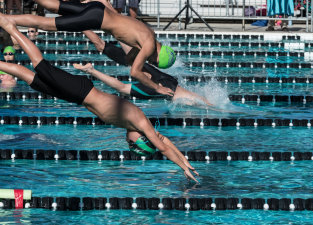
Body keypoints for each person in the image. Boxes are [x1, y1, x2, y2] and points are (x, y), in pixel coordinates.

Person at [0, 15, 199, 182]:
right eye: (132, 145)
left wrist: (184, 161)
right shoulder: (140, 121)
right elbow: (162, 146)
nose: (128, 143)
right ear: (141, 138)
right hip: (81, 92)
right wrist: (181, 165)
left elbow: (163, 140)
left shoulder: (137, 125)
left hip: (77, 96)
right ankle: (12, 29)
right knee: (40, 66)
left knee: (31, 78)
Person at [2, 0, 177, 97]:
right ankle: (5, 18)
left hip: (98, 9)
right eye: (152, 61)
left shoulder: (149, 34)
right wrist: (157, 87)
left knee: (53, 5)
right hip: (97, 18)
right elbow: (135, 72)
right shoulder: (147, 47)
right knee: (47, 24)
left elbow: (130, 56)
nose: (149, 61)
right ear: (157, 57)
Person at [81, 30, 211, 105]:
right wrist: (92, 71)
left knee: (104, 45)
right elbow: (121, 87)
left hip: (167, 84)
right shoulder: (153, 83)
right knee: (104, 45)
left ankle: (91, 21)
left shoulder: (140, 64)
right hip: (165, 90)